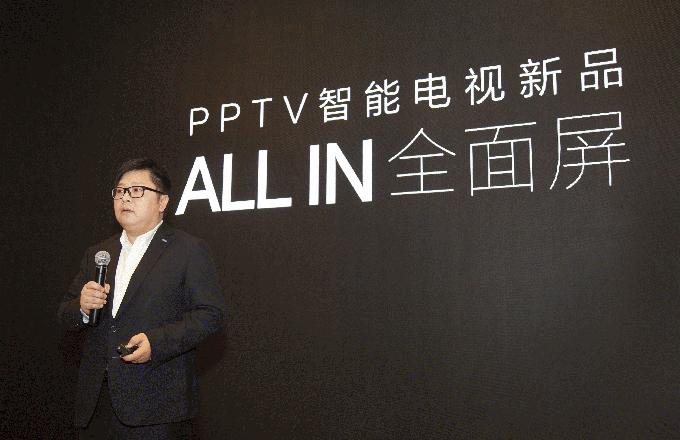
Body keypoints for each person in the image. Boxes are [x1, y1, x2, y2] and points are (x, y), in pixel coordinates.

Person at [58, 158, 226, 439]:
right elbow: (65, 314)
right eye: (120, 191)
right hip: (96, 406)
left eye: (137, 190)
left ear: (162, 202)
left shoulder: (187, 249)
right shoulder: (98, 254)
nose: (125, 198)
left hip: (156, 408)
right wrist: (83, 308)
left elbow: (210, 314)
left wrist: (156, 343)